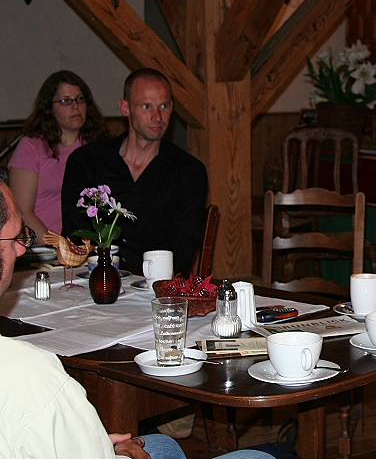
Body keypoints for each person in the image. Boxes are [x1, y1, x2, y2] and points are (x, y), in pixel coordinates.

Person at [0, 174, 276, 459]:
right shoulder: (31, 376)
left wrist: (99, 445)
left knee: (162, 444)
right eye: (15, 238)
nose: (22, 249)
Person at [61, 69, 208, 275]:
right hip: (96, 277)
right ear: (125, 107)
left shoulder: (188, 171)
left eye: (164, 106)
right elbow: (76, 236)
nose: (157, 117)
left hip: (155, 282)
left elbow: (182, 251)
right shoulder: (87, 162)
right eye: (146, 106)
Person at [8, 70, 110, 240]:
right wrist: (58, 246)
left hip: (90, 243)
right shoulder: (31, 146)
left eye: (80, 99)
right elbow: (22, 212)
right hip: (43, 244)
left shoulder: (99, 147)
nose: (75, 107)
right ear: (49, 108)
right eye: (65, 101)